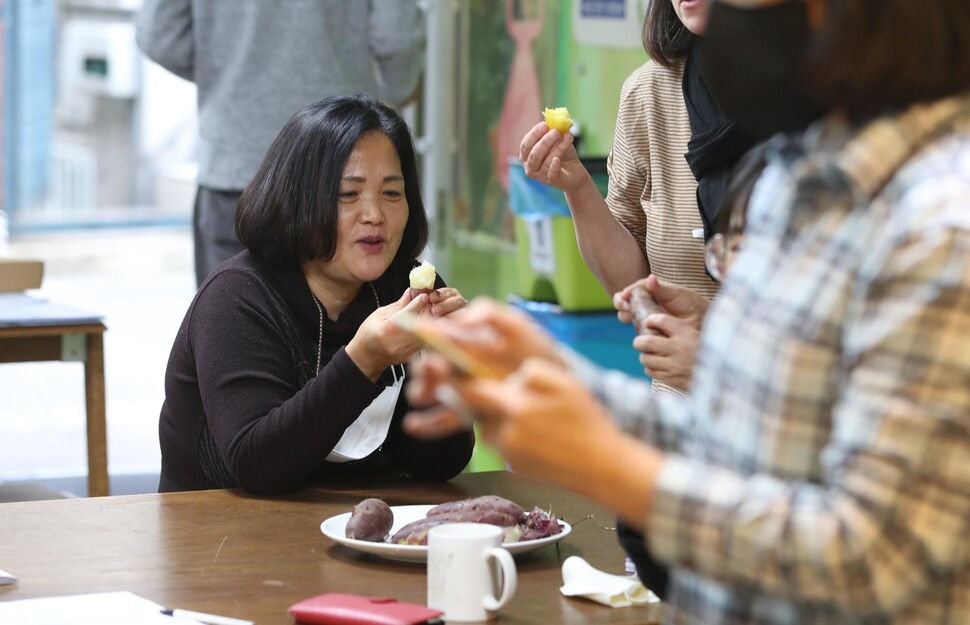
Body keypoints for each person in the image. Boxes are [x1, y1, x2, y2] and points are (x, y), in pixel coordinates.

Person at [404, 1, 970, 623]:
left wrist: (613, 468)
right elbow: (742, 445)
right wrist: (562, 381)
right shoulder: (798, 178)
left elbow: (875, 558)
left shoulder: (941, 227)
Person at [158, 95, 474, 494]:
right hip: (220, 540)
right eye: (348, 194)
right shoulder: (236, 297)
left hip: (364, 535)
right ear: (298, 199)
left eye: (392, 193)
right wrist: (364, 360)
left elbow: (437, 465)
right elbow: (255, 466)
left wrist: (447, 372)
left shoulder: (409, 290)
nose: (375, 214)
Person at [519, 0, 770, 395]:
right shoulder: (648, 93)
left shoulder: (824, 100)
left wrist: (716, 362)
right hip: (673, 424)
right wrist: (579, 186)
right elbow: (634, 286)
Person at [135, 0, 426, 287]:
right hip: (344, 160)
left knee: (230, 316)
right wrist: (400, 87)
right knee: (355, 321)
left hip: (237, 162)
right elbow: (396, 35)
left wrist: (229, 74)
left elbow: (160, 35)